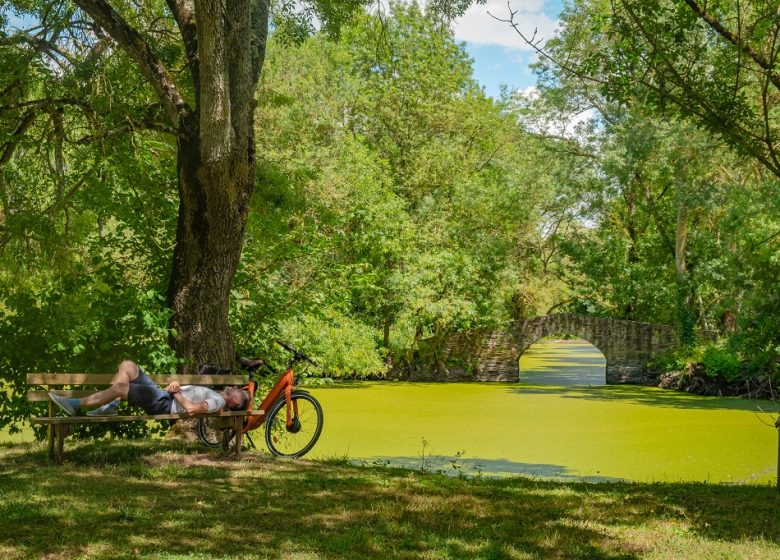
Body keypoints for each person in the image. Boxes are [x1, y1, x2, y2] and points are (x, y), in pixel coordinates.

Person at [48, 360, 249, 417]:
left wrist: (176, 392)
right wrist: (177, 386)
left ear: (235, 401)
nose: (233, 386)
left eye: (236, 390)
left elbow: (191, 409)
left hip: (164, 403)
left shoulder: (218, 401)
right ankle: (111, 407)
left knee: (120, 387)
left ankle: (75, 405)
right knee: (128, 366)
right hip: (164, 396)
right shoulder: (216, 393)